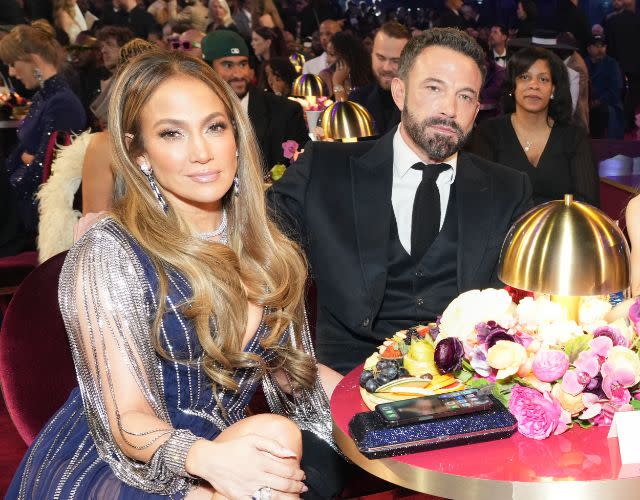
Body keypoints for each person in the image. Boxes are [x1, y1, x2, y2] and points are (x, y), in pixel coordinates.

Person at [8, 48, 341, 499]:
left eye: (214, 127)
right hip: (116, 459)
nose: (202, 153)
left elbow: (292, 372)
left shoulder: (267, 247)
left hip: (213, 444)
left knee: (277, 438)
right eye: (171, 134)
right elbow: (126, 419)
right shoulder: (111, 249)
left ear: (236, 136)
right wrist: (213, 463)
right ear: (139, 152)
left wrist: (379, 402)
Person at [268, 28, 533, 374]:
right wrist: (284, 359)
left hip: (464, 387)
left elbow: (530, 304)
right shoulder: (325, 168)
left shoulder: (509, 189)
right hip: (343, 379)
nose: (450, 109)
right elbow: (253, 246)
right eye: (434, 88)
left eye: (466, 96)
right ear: (399, 92)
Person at [468, 46, 599, 207]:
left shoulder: (574, 137)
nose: (534, 85)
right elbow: (478, 200)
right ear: (512, 87)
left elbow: (588, 205)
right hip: (501, 231)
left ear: (553, 90)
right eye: (524, 77)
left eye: (543, 79)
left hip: (559, 230)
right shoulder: (488, 133)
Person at [0, 21, 86, 254]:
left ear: (33, 60)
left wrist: (14, 178)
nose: (11, 72)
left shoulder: (61, 102)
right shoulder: (44, 97)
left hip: (31, 211)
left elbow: (46, 168)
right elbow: (24, 155)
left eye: (12, 64)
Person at [201, 29, 308, 173]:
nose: (239, 74)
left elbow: (302, 170)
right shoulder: (196, 113)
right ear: (208, 70)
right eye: (228, 65)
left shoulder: (285, 112)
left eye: (243, 64)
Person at [349, 21, 410, 135]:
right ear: (371, 54)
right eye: (381, 58)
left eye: (395, 61)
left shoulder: (421, 104)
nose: (386, 67)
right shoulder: (357, 100)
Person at [585, 34, 625, 139]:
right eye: (596, 46)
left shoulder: (612, 64)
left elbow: (615, 91)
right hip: (586, 103)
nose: (600, 49)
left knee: (601, 112)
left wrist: (598, 102)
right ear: (589, 48)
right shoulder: (583, 63)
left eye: (602, 46)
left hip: (608, 104)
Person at [319, 31, 372, 101]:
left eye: (332, 54)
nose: (327, 60)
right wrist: (337, 83)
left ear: (347, 57)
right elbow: (340, 110)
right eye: (327, 54)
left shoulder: (366, 76)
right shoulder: (326, 76)